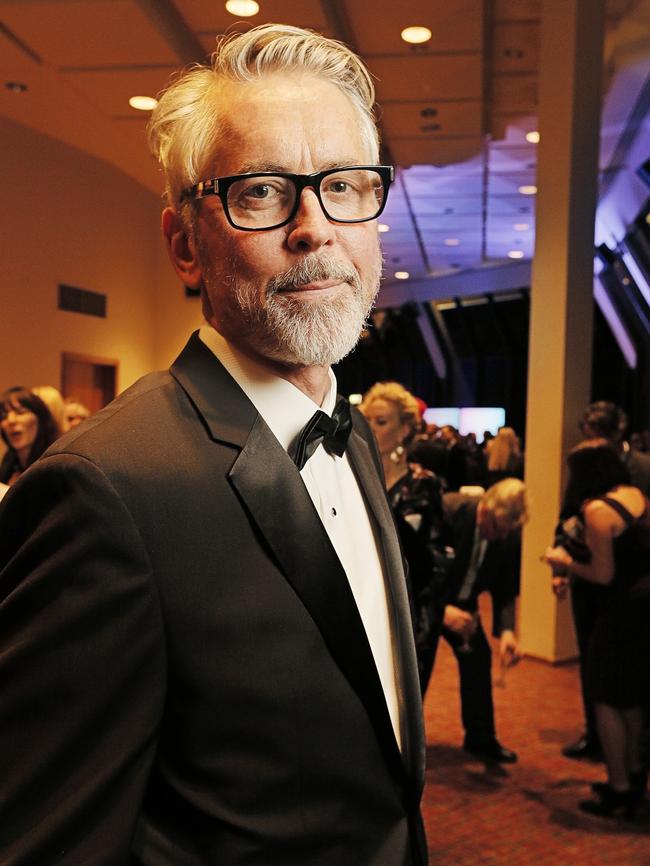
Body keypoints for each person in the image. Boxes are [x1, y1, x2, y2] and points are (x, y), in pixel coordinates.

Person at [0, 25, 427, 866]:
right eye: (264, 191)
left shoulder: (359, 443)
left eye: (344, 184)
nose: (316, 228)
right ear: (184, 244)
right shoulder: (106, 491)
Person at [544, 440, 650, 818]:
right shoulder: (635, 495)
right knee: (633, 698)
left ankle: (618, 786)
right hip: (643, 610)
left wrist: (563, 563)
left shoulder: (597, 511)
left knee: (605, 699)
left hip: (616, 615)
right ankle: (636, 774)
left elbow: (603, 575)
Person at [558, 400, 650, 761]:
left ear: (618, 434)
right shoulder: (589, 475)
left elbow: (605, 568)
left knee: (619, 680)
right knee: (595, 668)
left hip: (621, 592)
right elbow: (566, 520)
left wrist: (565, 562)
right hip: (602, 590)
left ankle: (625, 762)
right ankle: (598, 736)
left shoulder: (642, 469)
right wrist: (559, 569)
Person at [361, 381, 449, 695]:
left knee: (403, 699)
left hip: (409, 608)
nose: (370, 428)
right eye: (366, 419)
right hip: (361, 604)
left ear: (404, 430)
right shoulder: (353, 475)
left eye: (381, 421)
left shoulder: (423, 484)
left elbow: (435, 557)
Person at [441, 479, 528, 763]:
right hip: (428, 602)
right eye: (495, 528)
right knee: (415, 668)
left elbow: (505, 588)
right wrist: (441, 610)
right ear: (486, 509)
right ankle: (399, 748)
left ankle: (480, 739)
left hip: (465, 606)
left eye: (505, 532)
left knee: (478, 661)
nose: (498, 537)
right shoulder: (450, 511)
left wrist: (507, 632)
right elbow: (413, 569)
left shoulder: (507, 534)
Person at [0, 387, 59, 486]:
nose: (10, 420)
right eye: (4, 416)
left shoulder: (56, 463)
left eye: (20, 412)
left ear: (40, 418)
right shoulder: (9, 462)